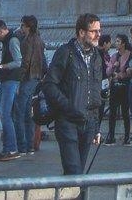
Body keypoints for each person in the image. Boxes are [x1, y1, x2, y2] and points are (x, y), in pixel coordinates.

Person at [42, 10, 107, 177]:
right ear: (81, 32)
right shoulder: (65, 52)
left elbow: (96, 92)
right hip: (68, 122)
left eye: (99, 31)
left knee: (78, 174)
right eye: (94, 31)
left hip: (89, 122)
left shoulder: (97, 57)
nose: (98, 35)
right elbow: (49, 85)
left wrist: (97, 127)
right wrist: (67, 107)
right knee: (74, 172)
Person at [13, 15, 46, 159]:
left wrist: (19, 81)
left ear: (27, 26)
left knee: (19, 114)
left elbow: (25, 63)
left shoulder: (27, 42)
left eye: (22, 25)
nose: (21, 28)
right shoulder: (39, 40)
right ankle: (30, 145)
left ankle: (21, 146)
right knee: (28, 113)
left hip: (27, 78)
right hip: (36, 77)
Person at [0, 18, 23, 159]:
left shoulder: (12, 41)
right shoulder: (10, 40)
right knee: (7, 114)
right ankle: (7, 148)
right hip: (9, 79)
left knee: (6, 115)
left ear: (1, 31)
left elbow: (18, 62)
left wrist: (1, 66)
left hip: (10, 79)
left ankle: (11, 148)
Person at [104, 34, 131, 144]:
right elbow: (108, 71)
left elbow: (129, 72)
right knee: (113, 112)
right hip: (115, 86)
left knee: (125, 111)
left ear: (124, 43)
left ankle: (127, 136)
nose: (116, 43)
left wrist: (120, 75)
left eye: (118, 41)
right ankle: (111, 135)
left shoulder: (129, 55)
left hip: (125, 85)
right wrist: (113, 66)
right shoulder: (114, 56)